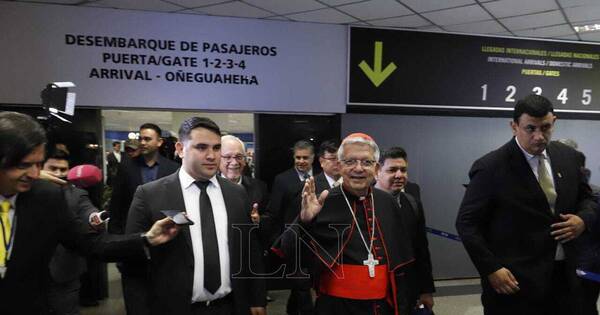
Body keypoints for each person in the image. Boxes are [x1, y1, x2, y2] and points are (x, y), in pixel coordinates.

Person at [0, 111, 179, 314]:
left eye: (38, 164)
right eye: (24, 165)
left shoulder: (47, 197)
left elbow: (91, 244)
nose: (34, 174)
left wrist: (146, 238)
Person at [455, 94, 598, 315]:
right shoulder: (490, 167)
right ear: (514, 126)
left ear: (554, 122)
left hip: (568, 282)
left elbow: (588, 198)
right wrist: (491, 268)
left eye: (546, 128)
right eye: (530, 129)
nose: (539, 136)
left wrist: (583, 219)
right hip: (516, 285)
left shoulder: (569, 157)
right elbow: (467, 224)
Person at [125, 117, 267, 315]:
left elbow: (249, 250)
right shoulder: (150, 195)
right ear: (180, 149)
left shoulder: (237, 194)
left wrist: (257, 298)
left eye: (216, 148)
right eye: (201, 147)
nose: (211, 156)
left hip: (230, 307)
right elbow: (132, 263)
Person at [278, 133, 414, 315]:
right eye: (350, 162)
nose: (358, 168)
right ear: (340, 166)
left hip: (382, 306)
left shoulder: (386, 202)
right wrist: (304, 221)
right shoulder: (322, 201)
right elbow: (288, 251)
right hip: (336, 307)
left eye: (366, 162)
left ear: (376, 168)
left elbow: (401, 264)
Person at [107, 123, 180, 315]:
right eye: (140, 138)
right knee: (136, 301)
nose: (143, 142)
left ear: (159, 142)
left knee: (164, 301)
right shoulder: (127, 167)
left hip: (166, 245)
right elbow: (116, 207)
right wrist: (117, 245)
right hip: (133, 242)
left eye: (147, 138)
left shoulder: (173, 168)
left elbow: (177, 205)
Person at [42, 148, 104, 315]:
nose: (58, 174)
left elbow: (89, 212)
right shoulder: (25, 191)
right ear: (41, 169)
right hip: (29, 274)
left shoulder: (76, 194)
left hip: (64, 272)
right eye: (53, 169)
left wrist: (95, 218)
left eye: (63, 169)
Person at [375, 147, 435, 312]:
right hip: (377, 292)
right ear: (377, 171)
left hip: (409, 289)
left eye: (403, 170)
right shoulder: (365, 204)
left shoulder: (412, 203)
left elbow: (421, 250)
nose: (399, 175)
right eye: (392, 170)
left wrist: (426, 290)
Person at [265, 139, 315, 315]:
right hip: (293, 240)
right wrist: (275, 241)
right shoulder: (282, 180)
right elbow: (274, 213)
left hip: (316, 241)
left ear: (313, 158)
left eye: (305, 157)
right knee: (301, 283)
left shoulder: (320, 179)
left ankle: (292, 310)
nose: (301, 161)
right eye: (297, 157)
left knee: (302, 284)